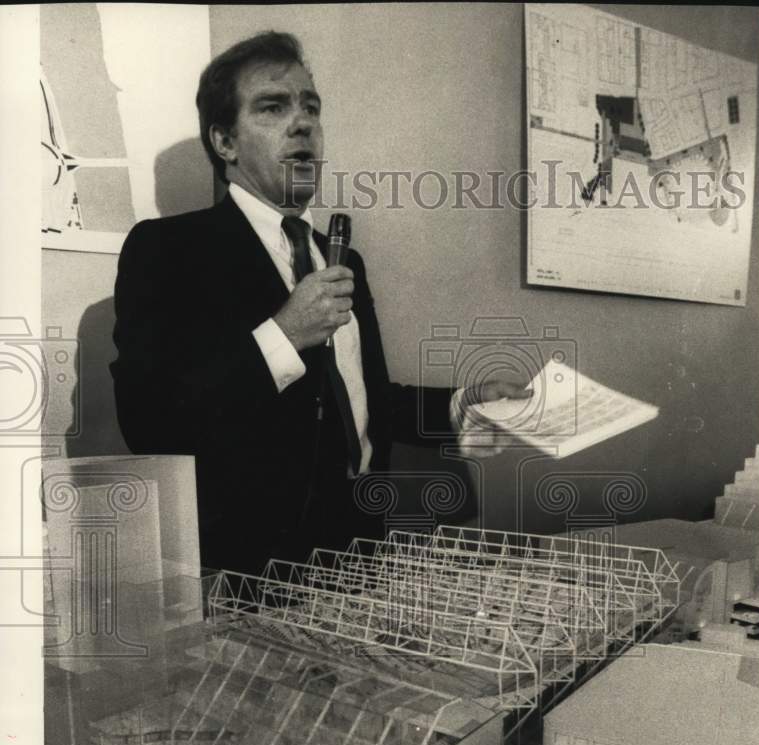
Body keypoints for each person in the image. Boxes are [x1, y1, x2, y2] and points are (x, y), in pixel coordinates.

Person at [110, 31, 529, 576]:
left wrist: (461, 406)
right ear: (225, 141)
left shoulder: (342, 258)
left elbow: (355, 398)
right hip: (249, 571)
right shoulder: (167, 249)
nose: (303, 123)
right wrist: (282, 335)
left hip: (361, 553)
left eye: (311, 107)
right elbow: (149, 424)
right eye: (273, 107)